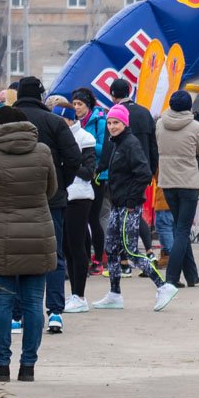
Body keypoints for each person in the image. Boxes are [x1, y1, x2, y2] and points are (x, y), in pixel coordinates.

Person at [0, 76, 79, 335]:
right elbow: (74, 158)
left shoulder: (3, 122)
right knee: (53, 255)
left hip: (6, 203)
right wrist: (59, 185)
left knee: (15, 255)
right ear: (42, 95)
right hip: (49, 201)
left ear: (18, 94)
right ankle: (55, 311)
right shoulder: (54, 122)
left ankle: (17, 315)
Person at [0, 105, 58, 382]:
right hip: (38, 230)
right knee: (34, 303)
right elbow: (52, 190)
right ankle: (28, 367)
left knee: (1, 301)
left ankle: (1, 366)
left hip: (3, 233)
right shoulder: (43, 151)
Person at [92, 104, 178, 312]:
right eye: (110, 123)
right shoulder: (116, 143)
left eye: (116, 123)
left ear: (125, 123)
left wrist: (131, 201)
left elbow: (144, 173)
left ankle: (163, 286)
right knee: (111, 249)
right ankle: (114, 293)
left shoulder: (131, 144)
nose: (112, 127)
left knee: (130, 250)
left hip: (129, 206)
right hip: (117, 204)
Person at [50, 99, 97, 318]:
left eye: (61, 120)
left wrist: (68, 162)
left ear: (70, 120)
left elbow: (88, 171)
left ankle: (80, 295)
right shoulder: (54, 137)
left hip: (79, 197)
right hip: (61, 196)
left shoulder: (86, 138)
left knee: (77, 246)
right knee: (66, 247)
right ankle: (74, 295)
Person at [156, 90, 199, 284]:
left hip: (167, 182)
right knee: (182, 229)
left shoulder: (160, 124)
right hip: (188, 183)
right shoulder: (194, 126)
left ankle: (192, 275)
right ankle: (171, 278)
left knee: (179, 226)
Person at [108, 78, 158, 257]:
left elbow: (111, 146)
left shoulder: (115, 114)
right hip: (143, 170)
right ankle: (149, 251)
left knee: (124, 216)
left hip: (124, 171)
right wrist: (152, 169)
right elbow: (153, 144)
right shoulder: (145, 113)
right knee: (135, 213)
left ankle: (126, 259)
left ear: (112, 95)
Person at [72, 88, 109, 273]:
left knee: (93, 217)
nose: (77, 107)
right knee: (82, 219)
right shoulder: (73, 122)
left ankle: (99, 258)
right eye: (75, 104)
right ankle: (85, 258)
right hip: (79, 174)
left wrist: (87, 142)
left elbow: (105, 148)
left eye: (80, 104)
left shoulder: (99, 121)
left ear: (88, 105)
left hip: (97, 175)